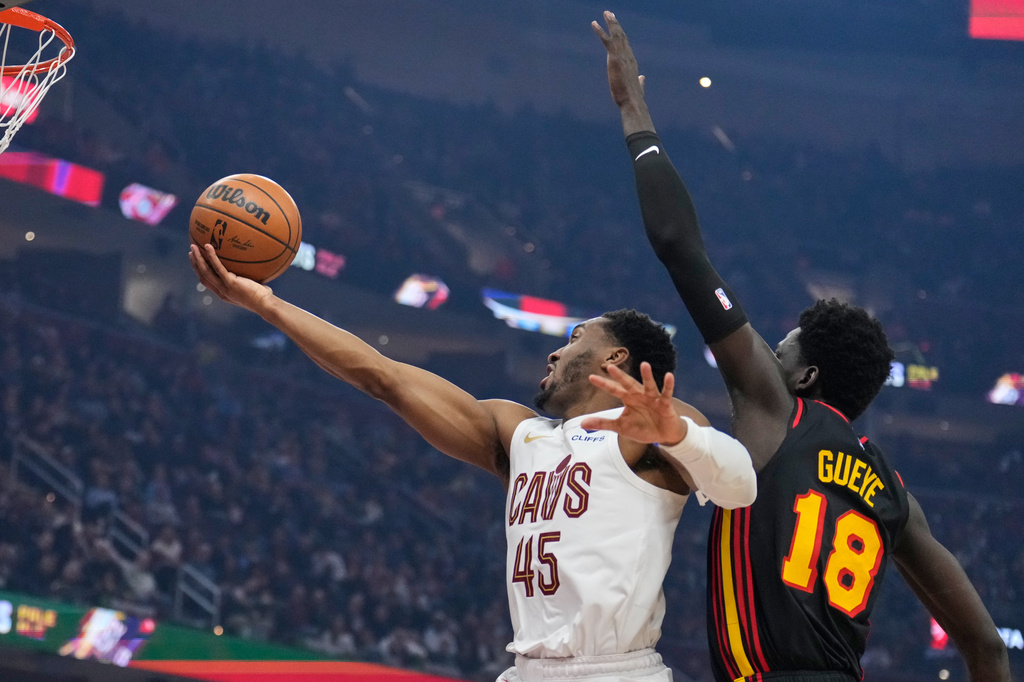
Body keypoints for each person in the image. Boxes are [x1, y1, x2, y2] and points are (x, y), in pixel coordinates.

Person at [592, 11, 1010, 682]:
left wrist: (634, 112)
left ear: (805, 373)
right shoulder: (893, 491)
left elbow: (678, 246)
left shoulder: (774, 410)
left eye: (780, 347)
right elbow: (987, 647)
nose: (767, 353)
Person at [189, 243, 756, 682]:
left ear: (616, 357)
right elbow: (381, 375)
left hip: (614, 670)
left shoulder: (655, 423)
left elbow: (740, 487)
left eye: (575, 336)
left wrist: (679, 435)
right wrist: (267, 303)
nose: (555, 351)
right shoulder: (517, 432)